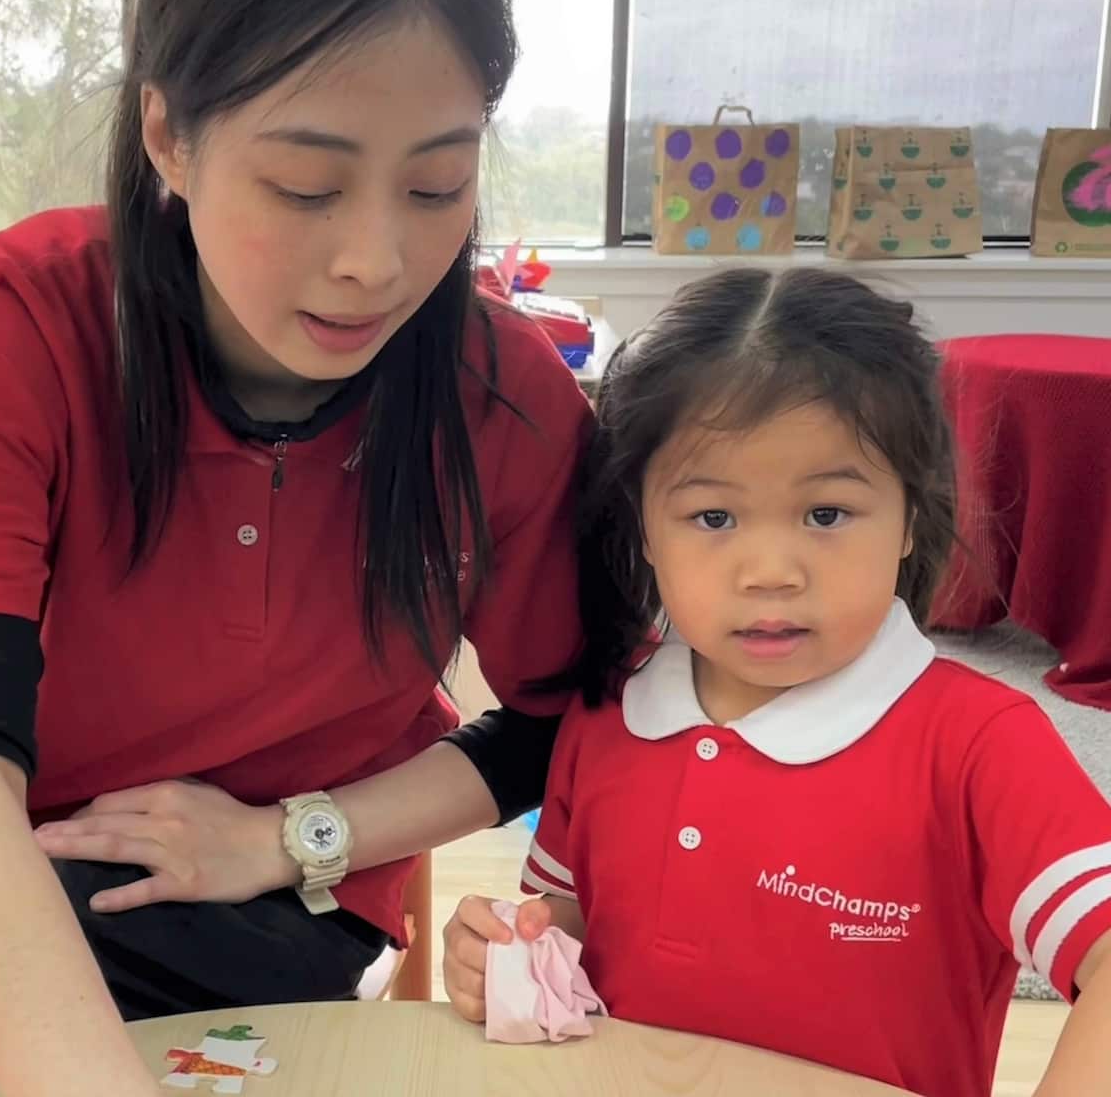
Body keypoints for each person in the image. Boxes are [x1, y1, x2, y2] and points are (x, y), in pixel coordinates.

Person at [0, 0, 591, 1094]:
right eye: (304, 186)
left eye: (438, 182)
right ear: (166, 137)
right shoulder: (11, 328)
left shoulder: (502, 395)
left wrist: (290, 836)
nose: (375, 260)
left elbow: (561, 719)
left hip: (258, 901)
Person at [442, 267, 1111, 1097]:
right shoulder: (607, 716)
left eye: (826, 514)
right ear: (642, 528)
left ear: (911, 518)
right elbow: (567, 935)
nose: (769, 573)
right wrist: (505, 956)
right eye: (713, 517)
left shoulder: (979, 744)